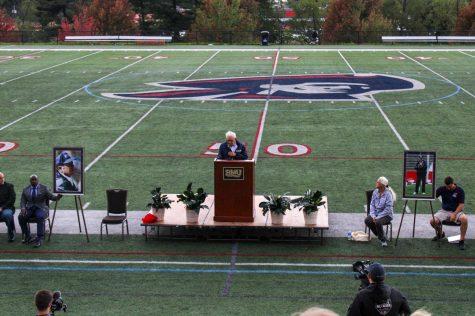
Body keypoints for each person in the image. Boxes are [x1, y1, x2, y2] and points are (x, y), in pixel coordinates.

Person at [19, 175, 62, 248]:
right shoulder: (25, 189)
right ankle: (27, 236)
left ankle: (39, 238)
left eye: (35, 180)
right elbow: (23, 201)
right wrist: (23, 208)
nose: (33, 181)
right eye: (32, 180)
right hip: (29, 208)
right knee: (21, 217)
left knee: (39, 217)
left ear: (38, 180)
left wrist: (58, 197)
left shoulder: (44, 188)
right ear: (30, 181)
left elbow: (52, 197)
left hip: (41, 208)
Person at [430, 176, 468, 250]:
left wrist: (454, 214)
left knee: (464, 219)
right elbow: (433, 196)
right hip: (444, 211)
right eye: (447, 186)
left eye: (450, 186)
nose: (448, 188)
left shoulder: (460, 191)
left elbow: (461, 205)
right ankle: (440, 234)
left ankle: (461, 240)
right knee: (432, 221)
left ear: (453, 183)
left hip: (456, 211)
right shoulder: (442, 189)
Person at [365, 177, 395, 247]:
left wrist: (378, 217)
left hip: (387, 215)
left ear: (382, 185)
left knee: (378, 222)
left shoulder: (388, 194)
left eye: (378, 182)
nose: (376, 182)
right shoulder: (375, 191)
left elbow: (388, 209)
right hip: (376, 213)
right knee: (367, 220)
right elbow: (372, 204)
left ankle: (382, 240)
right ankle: (381, 235)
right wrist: (373, 215)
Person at [0, 171, 16, 242]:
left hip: (7, 208)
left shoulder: (9, 186)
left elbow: (12, 199)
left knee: (7, 215)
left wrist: (2, 207)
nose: (2, 179)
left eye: (3, 177)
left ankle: (11, 233)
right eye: (0, 178)